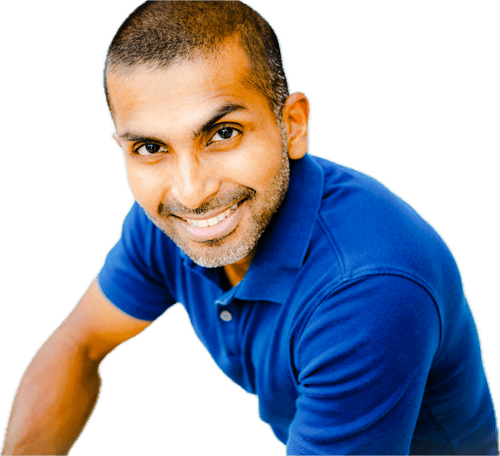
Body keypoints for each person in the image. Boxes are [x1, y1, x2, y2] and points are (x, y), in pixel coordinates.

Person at [1, 0, 498, 455]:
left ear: (292, 125)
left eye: (223, 133)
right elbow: (79, 344)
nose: (191, 192)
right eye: (151, 148)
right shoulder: (166, 219)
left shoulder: (368, 288)